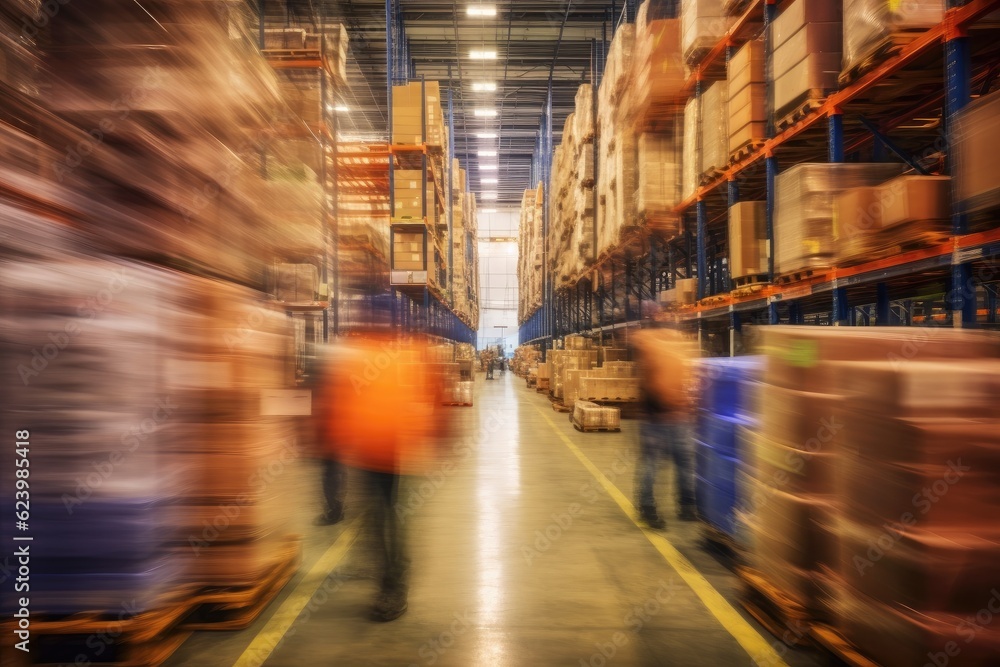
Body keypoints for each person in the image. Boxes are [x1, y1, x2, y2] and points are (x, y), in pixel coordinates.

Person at [316, 332, 447, 621]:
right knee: (373, 520)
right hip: (364, 451)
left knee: (393, 519)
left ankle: (395, 583)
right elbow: (337, 396)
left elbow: (434, 391)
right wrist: (330, 438)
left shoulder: (408, 349)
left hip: (394, 452)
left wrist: (439, 434)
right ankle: (385, 575)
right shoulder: (353, 350)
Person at [632, 329, 698, 529]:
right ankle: (649, 507)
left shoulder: (660, 353)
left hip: (674, 419)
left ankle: (685, 505)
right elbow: (659, 388)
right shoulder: (655, 353)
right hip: (659, 419)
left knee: (683, 463)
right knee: (655, 465)